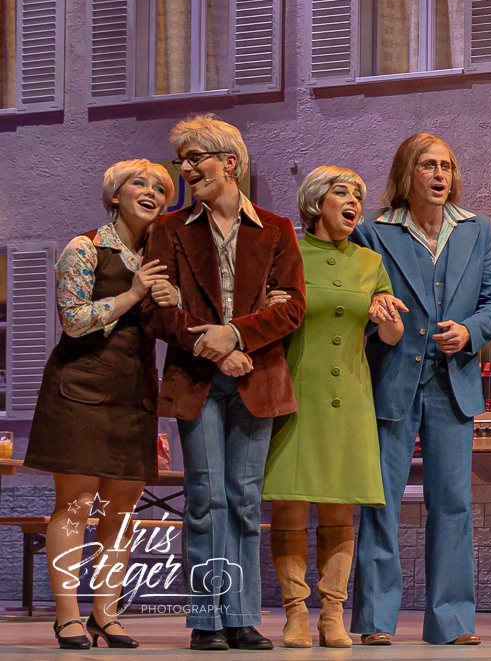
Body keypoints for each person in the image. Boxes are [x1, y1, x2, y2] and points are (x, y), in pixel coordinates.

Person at [142, 115, 307, 652]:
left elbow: (292, 308)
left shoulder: (277, 229)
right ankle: (207, 618)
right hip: (197, 379)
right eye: (182, 161)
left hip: (257, 378)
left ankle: (241, 617)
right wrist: (211, 347)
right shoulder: (170, 230)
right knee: (205, 499)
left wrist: (235, 335)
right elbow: (156, 312)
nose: (186, 170)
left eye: (196, 159)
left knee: (243, 500)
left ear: (229, 163)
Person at [350, 132, 491, 647]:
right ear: (406, 173)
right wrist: (378, 317)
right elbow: (364, 304)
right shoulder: (374, 232)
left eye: (447, 166)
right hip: (392, 379)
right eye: (428, 165)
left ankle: (452, 620)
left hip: (452, 382)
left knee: (453, 502)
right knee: (381, 502)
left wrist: (471, 331)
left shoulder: (477, 229)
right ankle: (376, 619)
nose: (440, 175)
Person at [29, 158, 176, 650]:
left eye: (161, 187)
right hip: (79, 392)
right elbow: (73, 320)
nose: (152, 192)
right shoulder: (85, 247)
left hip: (134, 396)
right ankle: (67, 616)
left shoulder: (162, 257)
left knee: (122, 511)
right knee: (74, 504)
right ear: (115, 195)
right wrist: (134, 294)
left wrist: (172, 299)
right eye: (140, 183)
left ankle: (105, 615)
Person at [264, 167, 404, 650]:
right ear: (316, 202)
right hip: (298, 394)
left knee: (340, 511)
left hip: (351, 398)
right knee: (290, 506)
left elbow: (391, 335)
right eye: (342, 192)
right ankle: (295, 614)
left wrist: (387, 320)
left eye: (358, 196)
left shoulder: (370, 262)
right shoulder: (288, 253)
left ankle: (332, 614)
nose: (353, 202)